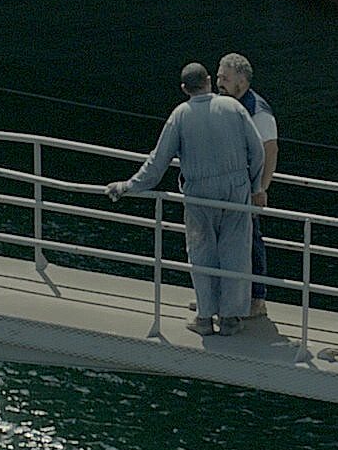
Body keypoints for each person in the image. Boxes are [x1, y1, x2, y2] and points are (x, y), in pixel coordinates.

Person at [105, 62, 265, 336]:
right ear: (208, 81)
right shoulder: (233, 107)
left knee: (202, 253)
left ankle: (205, 318)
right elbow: (257, 151)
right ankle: (230, 318)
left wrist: (127, 186)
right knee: (235, 252)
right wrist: (253, 186)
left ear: (184, 88)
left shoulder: (179, 115)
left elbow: (157, 163)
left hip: (199, 193)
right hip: (236, 190)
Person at [214, 53, 277, 317]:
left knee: (251, 241)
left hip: (246, 189)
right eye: (218, 77)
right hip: (223, 186)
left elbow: (270, 151)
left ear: (242, 82)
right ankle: (217, 295)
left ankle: (257, 299)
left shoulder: (258, 112)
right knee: (220, 240)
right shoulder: (222, 103)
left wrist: (261, 188)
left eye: (225, 78)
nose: (219, 83)